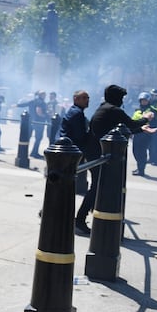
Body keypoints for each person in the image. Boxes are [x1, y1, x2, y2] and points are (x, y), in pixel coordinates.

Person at [88, 84, 157, 181]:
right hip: (99, 150)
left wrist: (141, 129)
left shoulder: (104, 107)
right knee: (99, 184)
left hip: (98, 149)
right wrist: (146, 118)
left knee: (101, 183)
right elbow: (131, 124)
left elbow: (123, 129)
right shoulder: (114, 110)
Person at [58, 90, 92, 234]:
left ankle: (49, 210)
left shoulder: (76, 112)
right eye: (83, 98)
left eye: (87, 98)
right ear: (75, 99)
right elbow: (80, 135)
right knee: (65, 184)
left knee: (64, 185)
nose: (86, 100)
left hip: (68, 152)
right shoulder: (76, 113)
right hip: (69, 153)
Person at [131, 92, 157, 176]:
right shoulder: (138, 110)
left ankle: (141, 170)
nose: (144, 102)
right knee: (135, 151)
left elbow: (153, 121)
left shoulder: (152, 110)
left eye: (145, 100)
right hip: (137, 132)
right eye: (142, 100)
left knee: (141, 152)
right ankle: (139, 167)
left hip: (145, 133)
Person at [18, 90, 48, 158]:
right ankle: (34, 152)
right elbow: (39, 112)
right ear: (42, 95)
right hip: (39, 122)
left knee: (28, 137)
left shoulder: (33, 101)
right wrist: (46, 116)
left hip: (30, 121)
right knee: (38, 138)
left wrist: (16, 105)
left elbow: (24, 104)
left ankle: (24, 152)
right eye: (44, 95)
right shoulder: (42, 103)